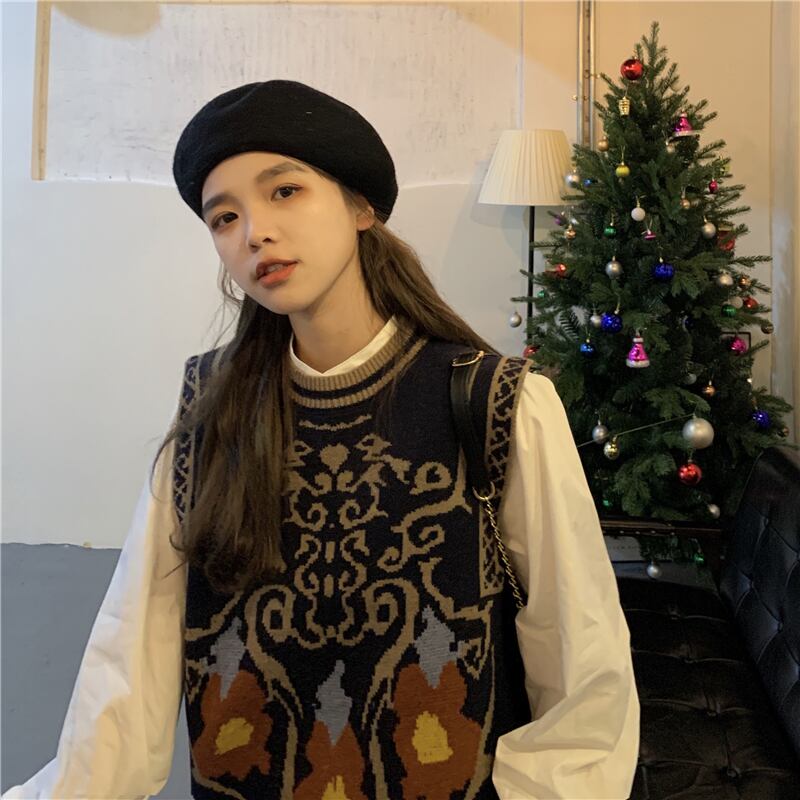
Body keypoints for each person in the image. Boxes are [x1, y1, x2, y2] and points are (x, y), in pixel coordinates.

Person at [3, 79, 639, 800]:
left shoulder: (495, 404)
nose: (254, 233)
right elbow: (132, 659)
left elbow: (583, 673)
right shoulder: (210, 417)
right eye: (224, 216)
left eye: (285, 192)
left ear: (362, 206)